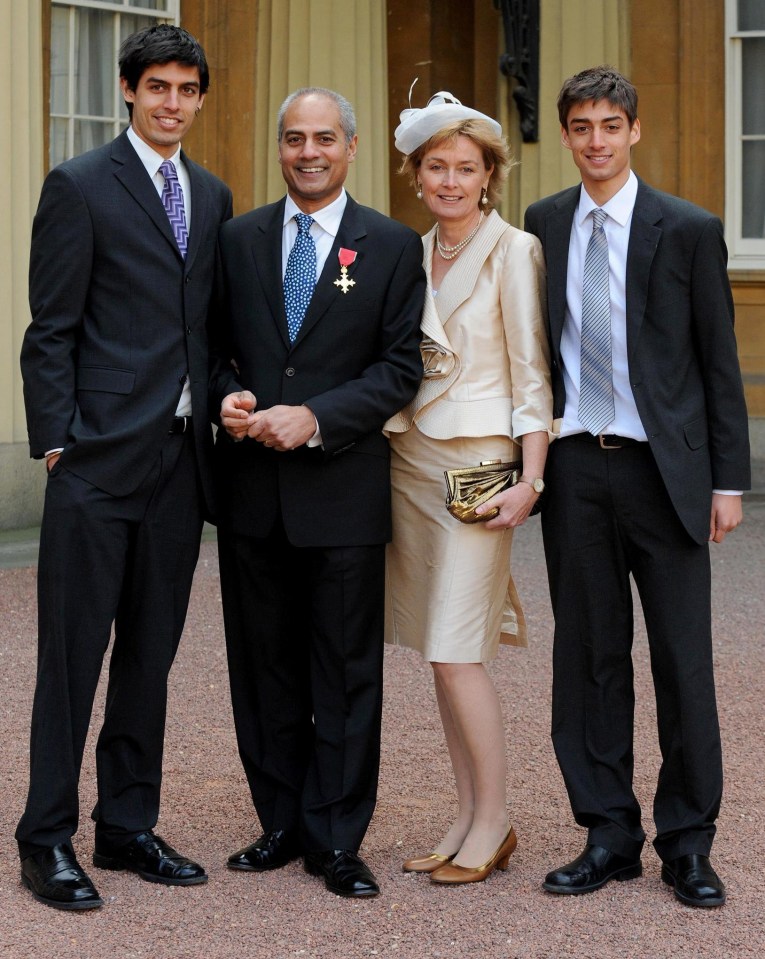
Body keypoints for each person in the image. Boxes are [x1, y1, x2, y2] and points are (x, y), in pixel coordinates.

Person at [524, 66, 750, 908]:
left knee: (682, 661)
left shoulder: (688, 229)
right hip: (578, 462)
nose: (593, 141)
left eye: (608, 125)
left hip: (666, 471)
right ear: (567, 134)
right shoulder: (543, 222)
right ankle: (607, 833)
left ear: (633, 132)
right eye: (579, 126)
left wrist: (727, 480)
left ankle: (688, 843)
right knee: (587, 657)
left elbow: (717, 365)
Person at [17, 24, 232, 911]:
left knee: (150, 654)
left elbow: (205, 328)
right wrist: (57, 440)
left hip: (181, 466)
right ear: (128, 90)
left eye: (187, 88)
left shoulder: (213, 195)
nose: (172, 102)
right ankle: (46, 838)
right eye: (158, 87)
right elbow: (51, 329)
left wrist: (228, 399)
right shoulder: (77, 185)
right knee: (72, 656)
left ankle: (127, 824)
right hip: (97, 462)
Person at [210, 87, 425, 899]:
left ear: (351, 147)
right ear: (279, 148)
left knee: (342, 671)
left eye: (324, 139)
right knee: (262, 666)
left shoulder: (393, 246)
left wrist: (317, 417)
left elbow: (399, 368)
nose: (309, 152)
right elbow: (217, 346)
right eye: (295, 138)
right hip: (252, 492)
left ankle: (336, 837)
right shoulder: (238, 239)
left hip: (340, 490)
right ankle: (280, 820)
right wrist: (228, 394)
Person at [385, 92, 553, 885]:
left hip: (481, 469)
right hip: (411, 462)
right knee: (435, 651)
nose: (450, 181)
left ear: (489, 177)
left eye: (465, 168)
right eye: (436, 168)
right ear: (416, 175)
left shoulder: (513, 249)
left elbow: (531, 371)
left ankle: (496, 818)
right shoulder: (406, 252)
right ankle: (464, 814)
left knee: (459, 651)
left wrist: (532, 478)